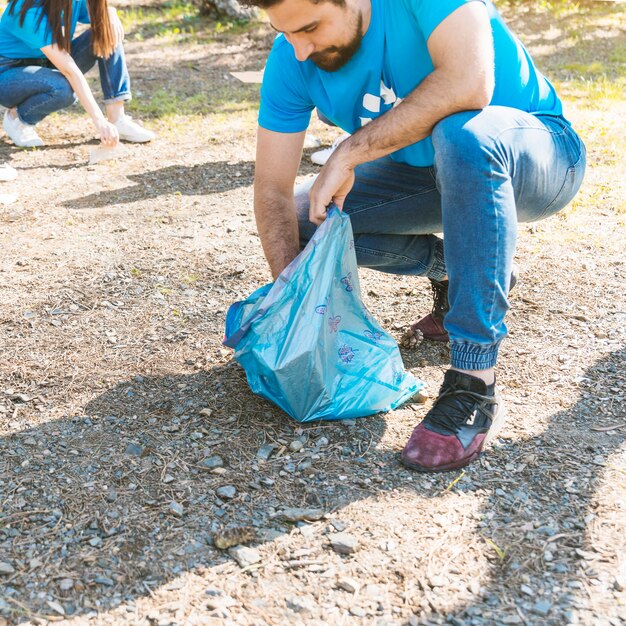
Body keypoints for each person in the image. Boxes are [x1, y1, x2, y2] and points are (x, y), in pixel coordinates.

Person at [241, 0, 586, 472]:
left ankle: (473, 381)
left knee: (466, 134)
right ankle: (457, 268)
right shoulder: (292, 58)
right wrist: (296, 307)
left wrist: (350, 151)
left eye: (310, 28)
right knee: (305, 219)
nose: (299, 50)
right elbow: (273, 191)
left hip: (536, 157)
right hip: (427, 174)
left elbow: (469, 83)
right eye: (286, 34)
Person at [0, 0, 154, 148]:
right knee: (62, 88)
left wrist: (110, 12)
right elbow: (69, 70)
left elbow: (98, 14)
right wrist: (99, 121)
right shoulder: (28, 8)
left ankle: (117, 118)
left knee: (107, 30)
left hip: (45, 63)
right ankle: (17, 118)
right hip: (8, 74)